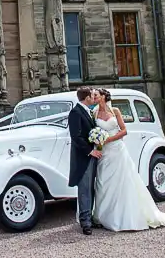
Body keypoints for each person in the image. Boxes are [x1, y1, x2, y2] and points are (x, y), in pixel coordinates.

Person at [91, 88, 165, 231]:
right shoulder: (94, 113)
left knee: (122, 181)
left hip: (117, 149)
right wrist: (98, 139)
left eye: (96, 95)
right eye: (93, 95)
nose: (94, 97)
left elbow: (124, 130)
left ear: (104, 97)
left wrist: (109, 139)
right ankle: (103, 215)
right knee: (103, 182)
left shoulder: (115, 111)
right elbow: (93, 130)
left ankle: (123, 215)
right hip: (104, 152)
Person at [68, 86, 103, 235]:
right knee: (84, 189)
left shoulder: (89, 112)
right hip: (84, 157)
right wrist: (90, 151)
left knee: (92, 187)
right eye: (91, 96)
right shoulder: (75, 112)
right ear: (86, 97)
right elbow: (76, 137)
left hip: (93, 155)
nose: (94, 98)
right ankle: (85, 222)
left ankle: (91, 217)